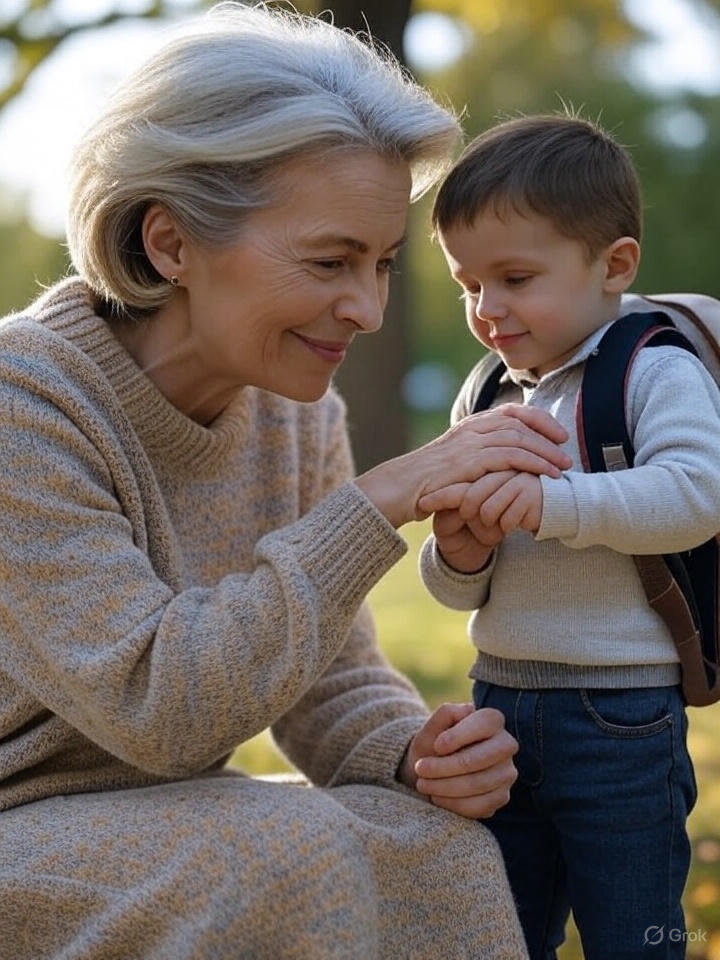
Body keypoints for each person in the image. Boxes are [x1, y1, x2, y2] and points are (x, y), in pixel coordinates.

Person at [0, 7, 581, 959]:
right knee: (283, 850)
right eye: (329, 260)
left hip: (158, 820)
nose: (365, 307)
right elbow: (162, 706)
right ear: (171, 244)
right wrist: (379, 504)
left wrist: (412, 749)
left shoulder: (295, 408)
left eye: (384, 263)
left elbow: (326, 677)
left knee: (435, 848)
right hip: (22, 824)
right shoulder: (24, 403)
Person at [418, 113, 720, 960]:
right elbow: (456, 589)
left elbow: (698, 494)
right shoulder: (487, 397)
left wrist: (555, 505)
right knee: (502, 932)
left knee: (635, 931)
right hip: (500, 704)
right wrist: (463, 551)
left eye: (514, 278)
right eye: (467, 285)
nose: (487, 309)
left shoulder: (654, 368)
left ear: (613, 265)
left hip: (620, 712)